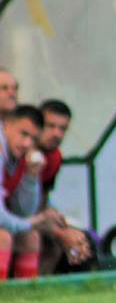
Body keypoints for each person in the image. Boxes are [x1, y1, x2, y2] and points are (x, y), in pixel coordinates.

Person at [32, 100, 94, 274]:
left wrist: (57, 222)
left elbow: (41, 202)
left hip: (30, 217)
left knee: (79, 239)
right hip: (11, 218)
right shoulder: (20, 153)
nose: (56, 134)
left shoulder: (54, 158)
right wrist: (58, 232)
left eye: (63, 128)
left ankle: (45, 286)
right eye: (50, 126)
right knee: (39, 238)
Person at [1, 105, 62, 280]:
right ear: (7, 125)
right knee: (2, 238)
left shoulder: (19, 154)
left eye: (33, 139)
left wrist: (31, 176)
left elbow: (23, 211)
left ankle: (25, 294)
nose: (27, 143)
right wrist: (35, 221)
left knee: (30, 238)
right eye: (24, 134)